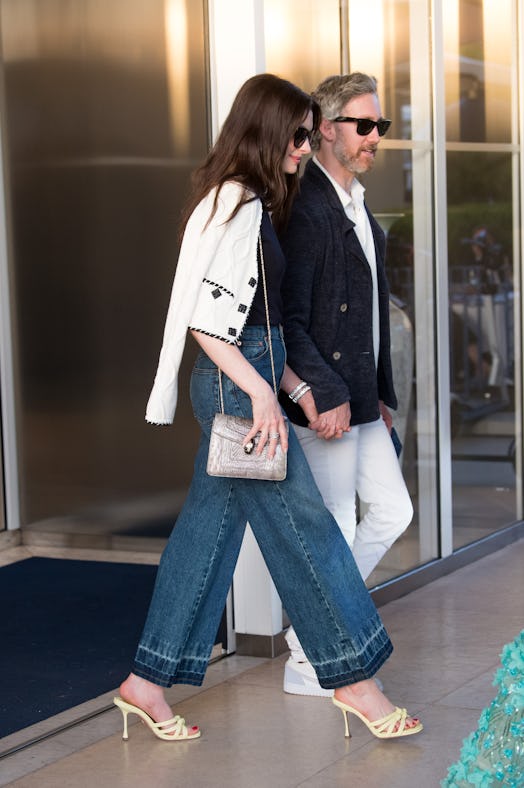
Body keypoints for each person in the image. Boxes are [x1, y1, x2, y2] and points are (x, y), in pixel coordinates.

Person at [114, 73, 422, 743]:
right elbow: (210, 323)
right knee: (307, 531)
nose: (307, 147)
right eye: (300, 134)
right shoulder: (237, 204)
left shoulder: (249, 201)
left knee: (206, 539)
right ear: (265, 129)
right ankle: (354, 681)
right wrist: (263, 395)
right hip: (236, 390)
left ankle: (145, 682)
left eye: (313, 135)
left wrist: (292, 384)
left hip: (246, 380)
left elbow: (262, 323)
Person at [278, 73, 414, 697]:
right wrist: (322, 393)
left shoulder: (356, 205)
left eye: (379, 126)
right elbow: (291, 322)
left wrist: (379, 394)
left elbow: (373, 316)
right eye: (364, 126)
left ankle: (313, 634)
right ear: (326, 129)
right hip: (327, 401)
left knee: (392, 510)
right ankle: (313, 658)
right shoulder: (306, 210)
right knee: (331, 524)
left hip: (360, 398)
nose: (375, 138)